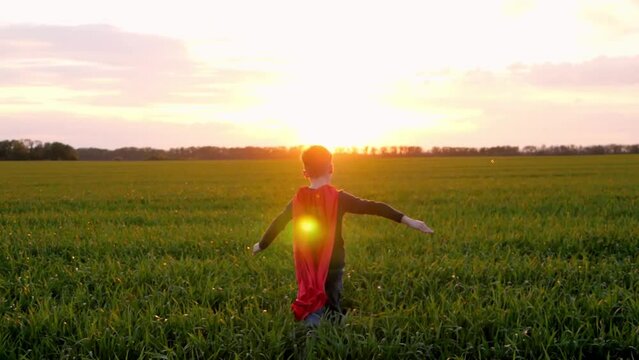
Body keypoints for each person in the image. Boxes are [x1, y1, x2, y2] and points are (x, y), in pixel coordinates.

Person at [252, 145, 433, 326]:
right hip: (334, 262)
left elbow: (279, 222)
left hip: (307, 263)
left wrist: (262, 245)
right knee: (332, 298)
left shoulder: (298, 199)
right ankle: (331, 324)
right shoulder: (339, 198)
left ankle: (312, 323)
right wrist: (409, 221)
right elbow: (373, 207)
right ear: (331, 168)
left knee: (311, 295)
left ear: (304, 172)